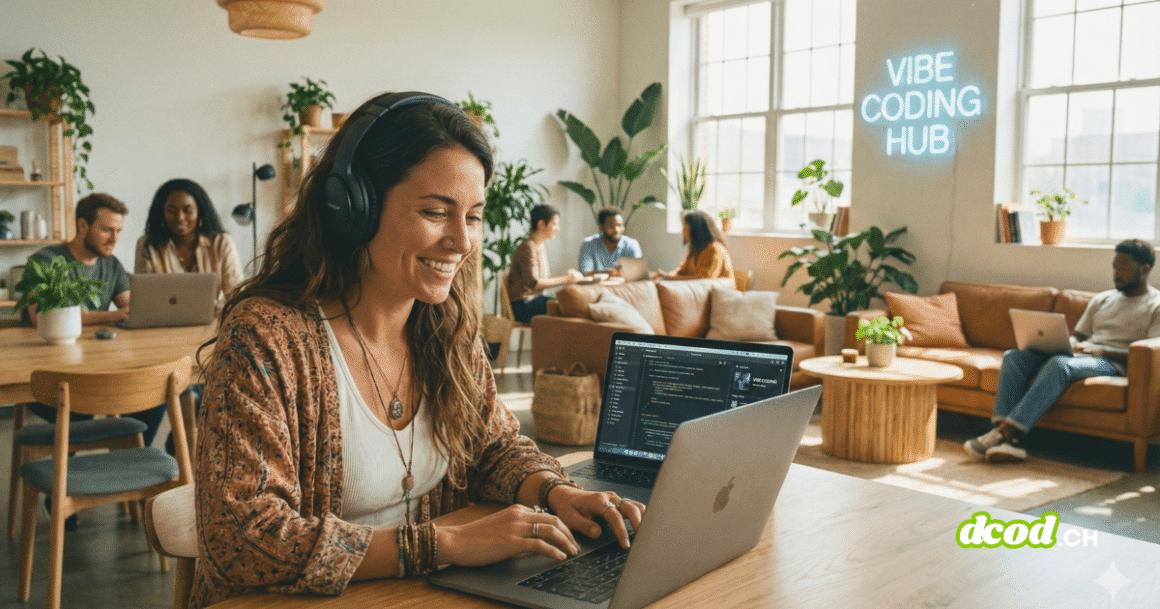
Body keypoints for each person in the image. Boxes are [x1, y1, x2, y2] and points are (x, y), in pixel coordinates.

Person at [191, 92, 644, 609]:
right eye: (435, 212)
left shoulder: (446, 325)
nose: (461, 242)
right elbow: (243, 537)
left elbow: (493, 448)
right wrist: (440, 544)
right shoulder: (266, 337)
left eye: (472, 217)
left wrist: (556, 493)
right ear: (353, 207)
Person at [965, 239, 1160, 463]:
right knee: (1014, 357)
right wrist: (1063, 342)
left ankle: (1005, 434)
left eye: (1123, 266)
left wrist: (1101, 352)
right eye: (1114, 266)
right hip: (1081, 356)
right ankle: (1007, 440)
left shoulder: (1155, 304)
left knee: (1059, 364)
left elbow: (1152, 355)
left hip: (1113, 363)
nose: (1116, 272)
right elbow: (1080, 336)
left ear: (1144, 269)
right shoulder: (1102, 299)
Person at [134, 178, 243, 310]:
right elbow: (143, 300)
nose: (180, 217)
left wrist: (218, 307)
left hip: (212, 322)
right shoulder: (147, 245)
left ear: (199, 212)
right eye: (171, 211)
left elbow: (237, 297)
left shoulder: (221, 242)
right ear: (162, 213)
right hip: (165, 324)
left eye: (188, 210)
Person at [24, 193, 131, 326]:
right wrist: (115, 315)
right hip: (45, 344)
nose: (114, 239)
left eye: (118, 231)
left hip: (95, 343)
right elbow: (42, 316)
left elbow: (131, 308)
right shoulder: (43, 261)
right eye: (106, 230)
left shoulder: (112, 264)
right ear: (82, 225)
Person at [505, 203, 583, 323]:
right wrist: (566, 279)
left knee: (572, 303)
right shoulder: (528, 247)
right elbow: (534, 283)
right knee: (569, 307)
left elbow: (546, 279)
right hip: (523, 306)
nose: (558, 228)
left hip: (535, 301)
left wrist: (567, 276)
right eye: (555, 224)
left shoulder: (540, 246)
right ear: (541, 224)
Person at [654, 209, 735, 281]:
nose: (682, 232)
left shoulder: (715, 249)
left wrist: (668, 277)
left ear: (696, 231)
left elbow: (703, 280)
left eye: (685, 228)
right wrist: (664, 275)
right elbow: (681, 272)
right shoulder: (695, 251)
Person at [577, 207, 642, 276]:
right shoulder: (588, 244)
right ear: (601, 227)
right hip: (596, 286)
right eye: (611, 226)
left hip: (624, 286)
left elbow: (637, 272)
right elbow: (586, 272)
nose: (616, 230)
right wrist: (608, 273)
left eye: (620, 225)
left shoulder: (631, 244)